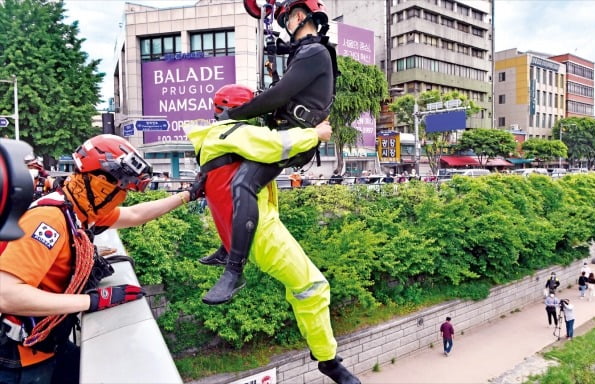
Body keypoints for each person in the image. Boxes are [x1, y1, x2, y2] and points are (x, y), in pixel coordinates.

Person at [188, 86, 360, 383]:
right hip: (261, 231)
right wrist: (315, 134)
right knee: (313, 288)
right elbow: (274, 145)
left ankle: (322, 350)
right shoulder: (233, 132)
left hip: (250, 229)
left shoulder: (211, 139)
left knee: (302, 288)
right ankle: (327, 359)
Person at [0, 134, 196, 384]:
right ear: (100, 183)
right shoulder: (50, 220)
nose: (122, 196)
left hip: (48, 342)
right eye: (121, 188)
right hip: (21, 355)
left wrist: (187, 195)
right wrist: (92, 300)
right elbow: (5, 295)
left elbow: (134, 214)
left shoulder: (79, 210)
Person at [199, 0, 339, 305]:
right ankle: (228, 247)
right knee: (229, 165)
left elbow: (279, 94)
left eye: (286, 20)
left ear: (299, 17)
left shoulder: (314, 53)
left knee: (242, 183)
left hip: (295, 138)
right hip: (285, 133)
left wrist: (234, 114)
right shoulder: (305, 53)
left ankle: (234, 272)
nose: (285, 26)